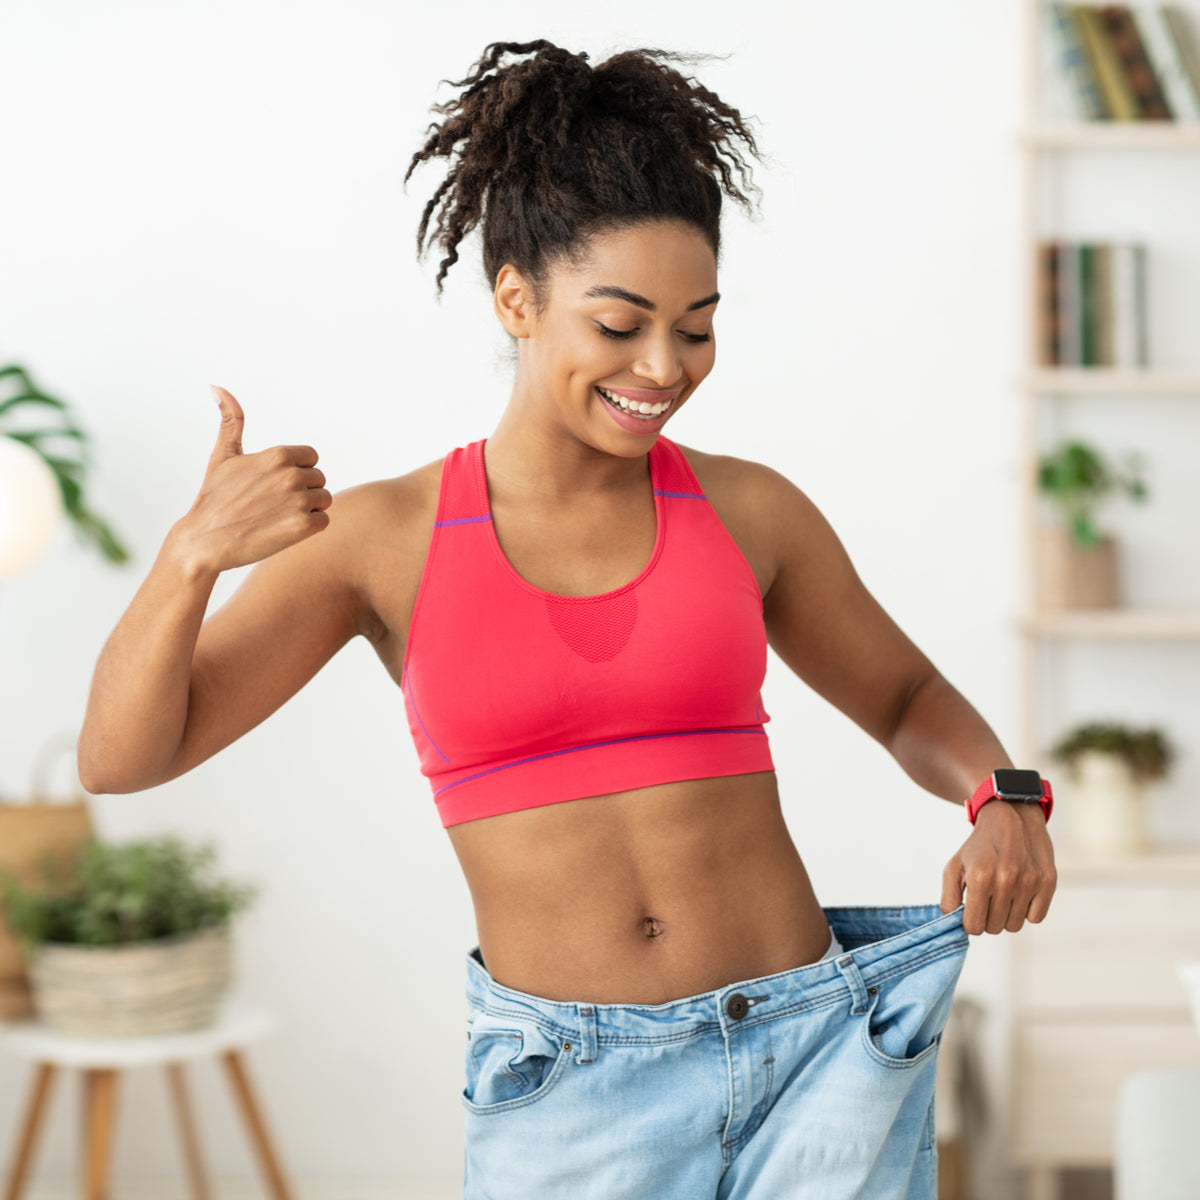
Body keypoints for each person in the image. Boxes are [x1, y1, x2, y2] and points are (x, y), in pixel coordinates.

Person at [77, 39, 1057, 1199]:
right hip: (576, 1090)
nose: (664, 364)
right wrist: (190, 557)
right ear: (516, 297)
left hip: (815, 1047)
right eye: (621, 323)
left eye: (696, 326)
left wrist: (1005, 795)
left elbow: (902, 698)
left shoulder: (750, 511)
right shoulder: (381, 540)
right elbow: (122, 759)